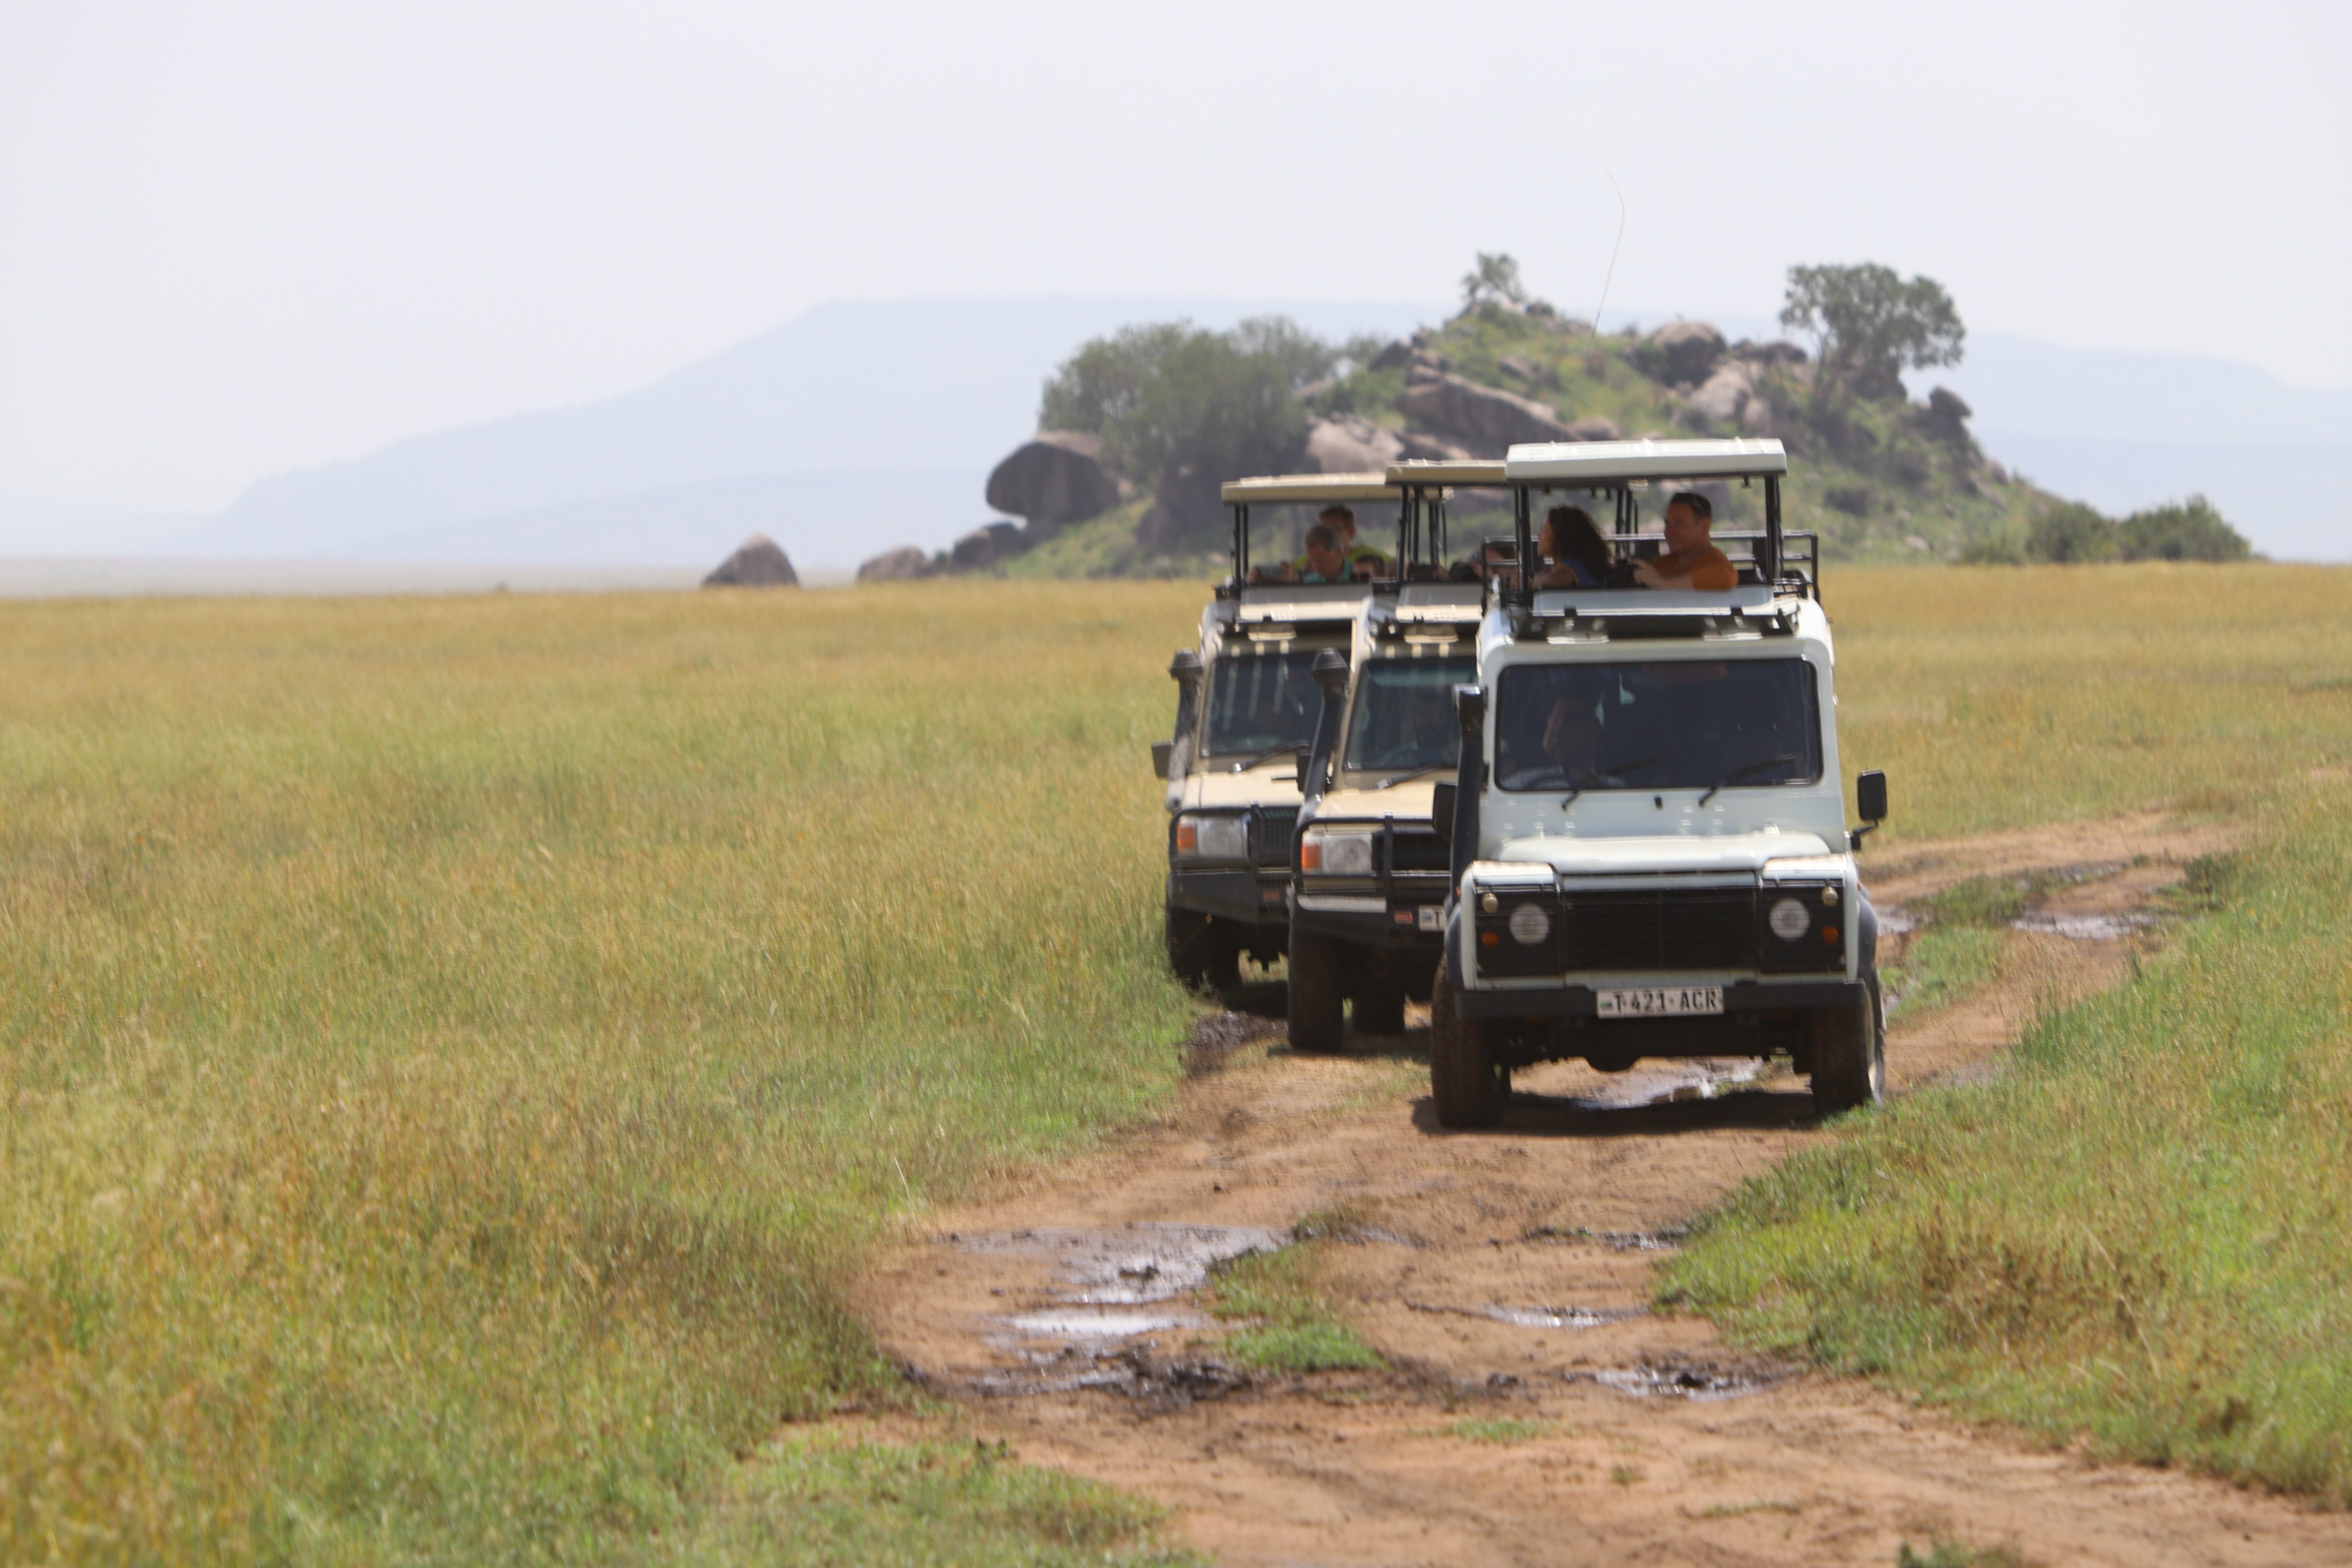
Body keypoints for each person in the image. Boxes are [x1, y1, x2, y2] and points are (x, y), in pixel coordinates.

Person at [1632, 492, 1738, 591]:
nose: (1668, 532)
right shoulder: (1660, 565)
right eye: (1667, 524)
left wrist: (1662, 582)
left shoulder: (1718, 565)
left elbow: (1726, 577)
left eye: (1678, 523)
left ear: (1704, 526)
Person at [1536, 505, 1612, 587]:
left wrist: (1533, 583)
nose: (1539, 536)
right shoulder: (1562, 566)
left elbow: (1548, 582)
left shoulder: (1572, 568)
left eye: (1544, 530)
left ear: (1560, 537)